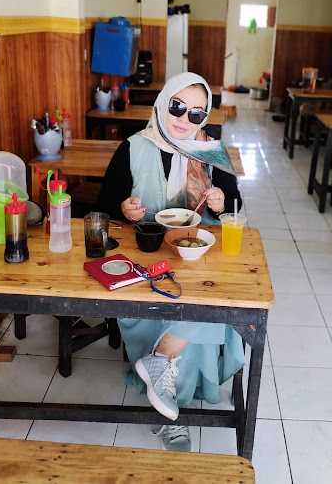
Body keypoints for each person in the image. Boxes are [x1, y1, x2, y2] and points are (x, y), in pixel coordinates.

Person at [98, 72, 244, 451]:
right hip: (145, 259)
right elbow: (102, 206)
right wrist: (123, 209)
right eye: (178, 106)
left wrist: (221, 203)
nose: (184, 118)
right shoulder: (133, 147)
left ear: (205, 117)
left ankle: (161, 364)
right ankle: (168, 412)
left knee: (210, 303)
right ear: (163, 102)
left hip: (199, 257)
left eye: (197, 114)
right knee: (192, 314)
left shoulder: (212, 152)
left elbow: (236, 205)